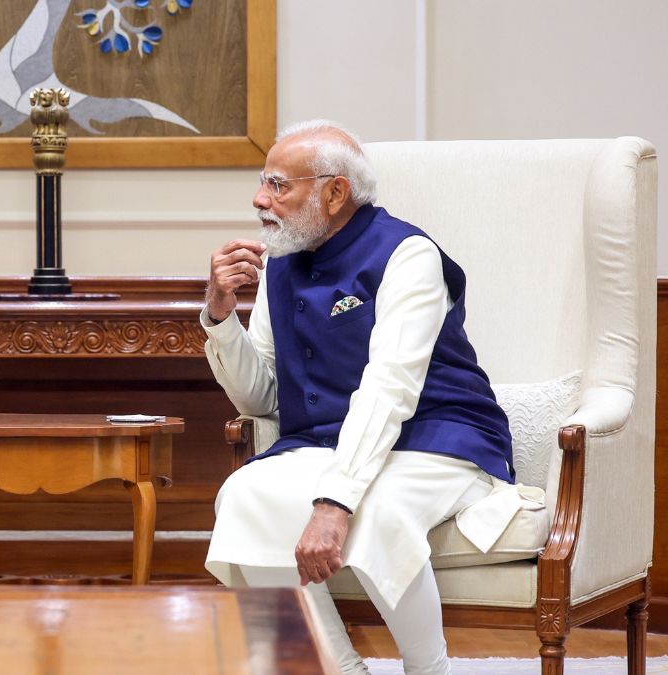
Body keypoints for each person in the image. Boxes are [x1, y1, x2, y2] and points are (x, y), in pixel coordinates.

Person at [202, 120, 537, 674]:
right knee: (243, 494)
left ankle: (429, 669)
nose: (260, 199)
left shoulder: (408, 255)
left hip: (440, 437)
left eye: (279, 185)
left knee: (376, 510)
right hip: (327, 444)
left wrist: (335, 503)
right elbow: (261, 397)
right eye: (263, 182)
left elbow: (389, 387)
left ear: (335, 193)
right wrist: (220, 313)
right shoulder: (280, 261)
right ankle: (333, 667)